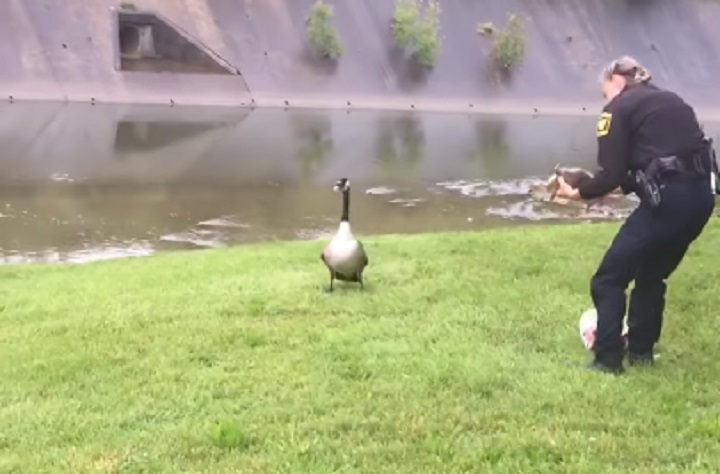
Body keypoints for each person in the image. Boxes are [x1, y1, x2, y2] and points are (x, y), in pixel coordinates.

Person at [554, 55, 717, 374]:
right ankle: (641, 353)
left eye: (604, 93)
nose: (606, 100)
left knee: (608, 279)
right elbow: (657, 163)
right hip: (700, 200)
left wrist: (579, 192)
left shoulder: (617, 108)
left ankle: (608, 359)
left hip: (668, 203)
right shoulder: (672, 101)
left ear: (616, 80)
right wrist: (610, 188)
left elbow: (612, 172)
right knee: (651, 275)